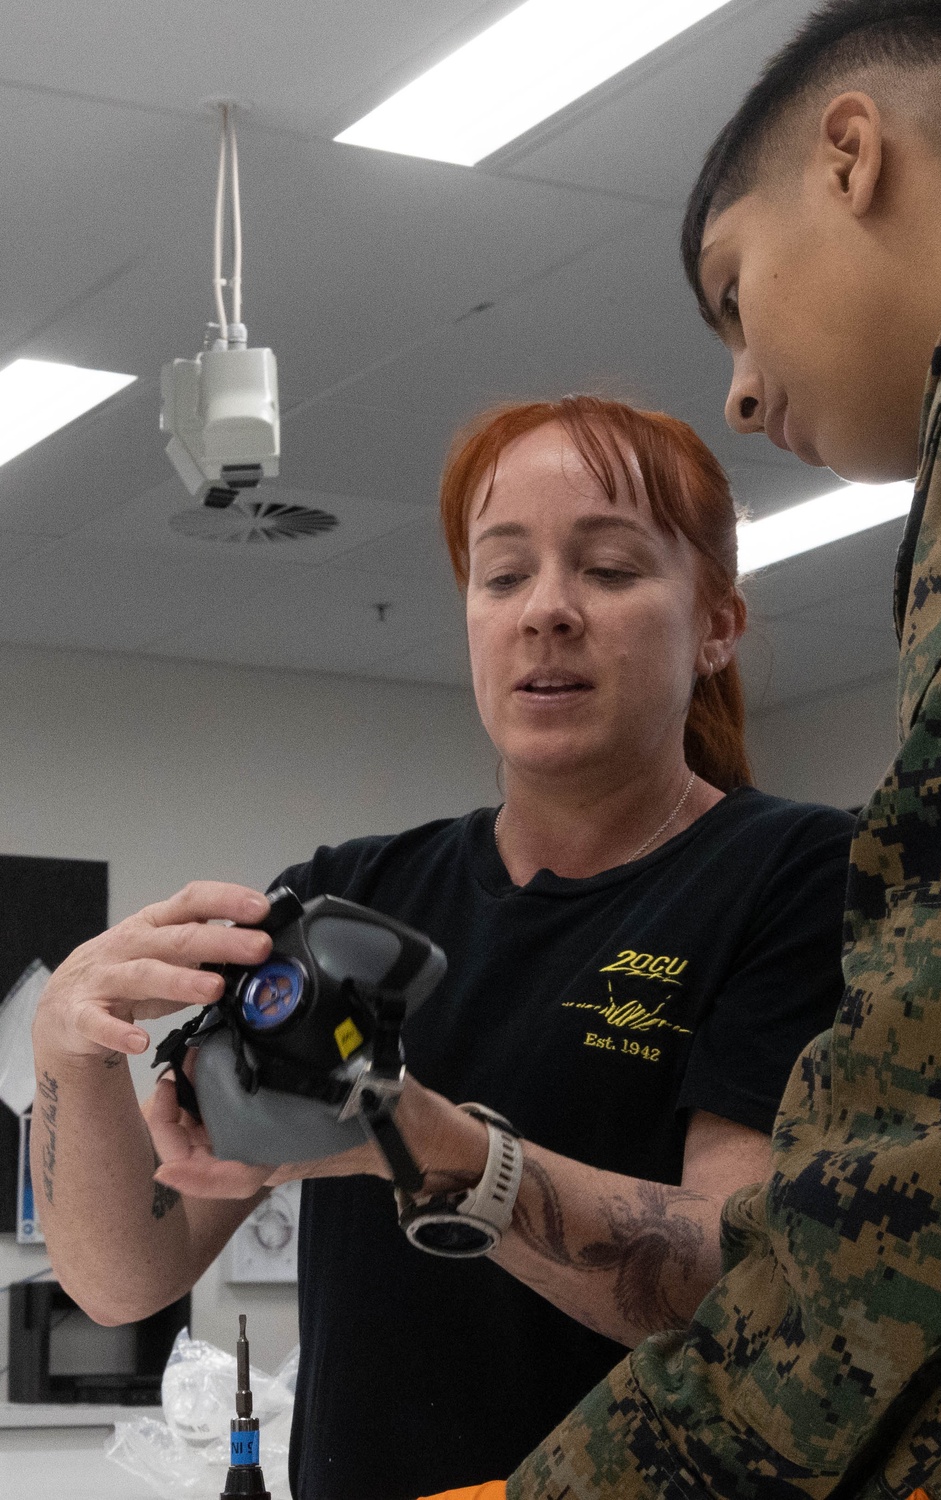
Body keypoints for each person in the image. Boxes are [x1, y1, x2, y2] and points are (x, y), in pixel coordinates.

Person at [31, 397, 854, 1500]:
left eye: (608, 570)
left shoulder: (798, 875)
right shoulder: (343, 895)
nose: (546, 612)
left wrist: (423, 1144)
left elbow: (739, 1283)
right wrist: (67, 1053)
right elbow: (126, 1276)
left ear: (716, 624)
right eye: (503, 576)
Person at [488, 4, 941, 1500]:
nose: (743, 385)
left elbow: (921, 1157)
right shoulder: (370, 881)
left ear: (852, 155)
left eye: (735, 294)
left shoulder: (779, 872)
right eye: (500, 573)